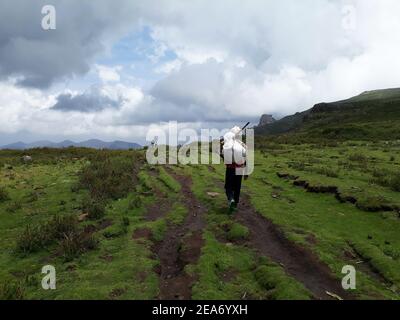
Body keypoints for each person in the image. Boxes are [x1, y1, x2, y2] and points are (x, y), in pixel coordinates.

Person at [221, 126, 248, 213]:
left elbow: (222, 155)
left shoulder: (227, 144)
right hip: (240, 169)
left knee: (228, 187)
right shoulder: (241, 145)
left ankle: (231, 199)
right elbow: (246, 157)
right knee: (237, 187)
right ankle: (235, 204)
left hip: (230, 169)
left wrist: (223, 145)